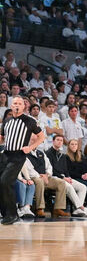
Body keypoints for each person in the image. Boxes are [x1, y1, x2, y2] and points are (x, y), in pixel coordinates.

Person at [0, 96, 45, 224]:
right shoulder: (7, 121)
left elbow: (41, 137)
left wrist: (30, 147)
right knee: (1, 182)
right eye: (14, 103)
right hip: (5, 154)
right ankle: (5, 213)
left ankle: (13, 214)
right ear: (11, 105)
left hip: (18, 156)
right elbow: (2, 138)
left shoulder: (29, 120)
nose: (17, 105)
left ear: (24, 106)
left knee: (5, 181)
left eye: (19, 103)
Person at [45, 134, 87, 217]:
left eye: (61, 140)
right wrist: (63, 177)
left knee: (83, 187)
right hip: (55, 178)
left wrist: (68, 177)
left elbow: (66, 169)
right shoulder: (48, 153)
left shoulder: (62, 155)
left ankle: (77, 210)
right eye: (57, 140)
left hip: (65, 177)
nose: (60, 142)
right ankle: (81, 208)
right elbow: (51, 170)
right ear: (53, 141)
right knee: (69, 187)